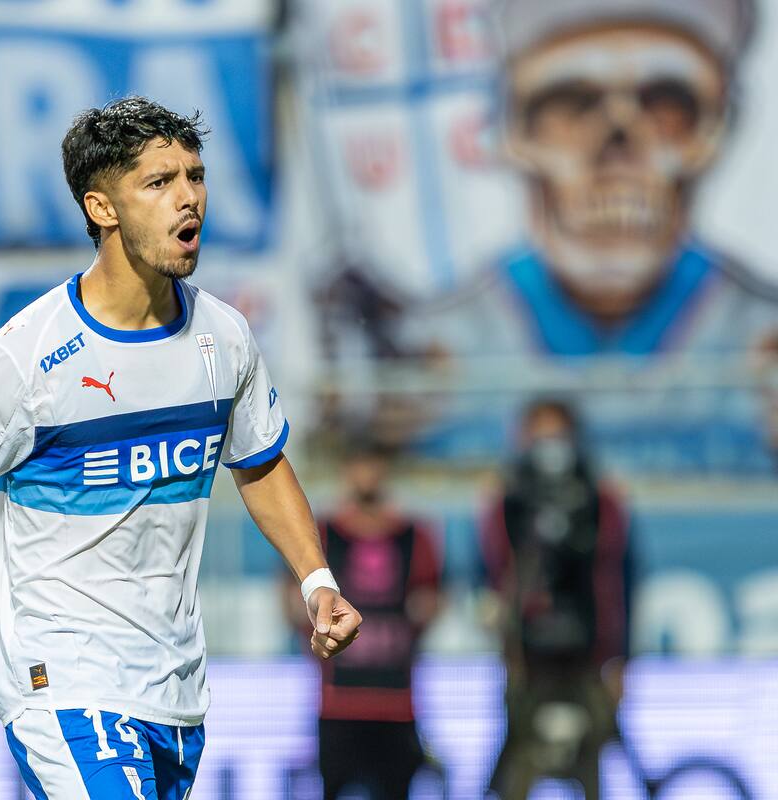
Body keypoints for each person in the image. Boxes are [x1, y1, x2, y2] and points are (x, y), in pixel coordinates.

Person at [0, 96, 363, 798]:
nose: (189, 199)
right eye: (159, 182)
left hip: (174, 686)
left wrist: (317, 580)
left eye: (195, 176)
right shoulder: (23, 359)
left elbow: (261, 465)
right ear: (103, 208)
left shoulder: (224, 338)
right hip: (63, 681)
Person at [396, 0, 778, 474]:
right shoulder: (438, 343)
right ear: (513, 132)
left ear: (718, 128)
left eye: (666, 106)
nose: (617, 150)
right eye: (569, 105)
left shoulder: (761, 330)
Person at [481, 398, 633, 800]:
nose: (549, 447)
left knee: (590, 765)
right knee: (518, 762)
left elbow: (620, 579)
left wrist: (619, 658)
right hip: (528, 659)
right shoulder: (509, 502)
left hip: (588, 657)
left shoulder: (600, 502)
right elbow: (494, 574)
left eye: (558, 435)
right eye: (539, 435)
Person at [286, 442, 442, 800]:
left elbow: (431, 600)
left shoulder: (414, 535)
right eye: (359, 464)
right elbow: (292, 598)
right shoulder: (322, 534)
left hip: (397, 702)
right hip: (339, 701)